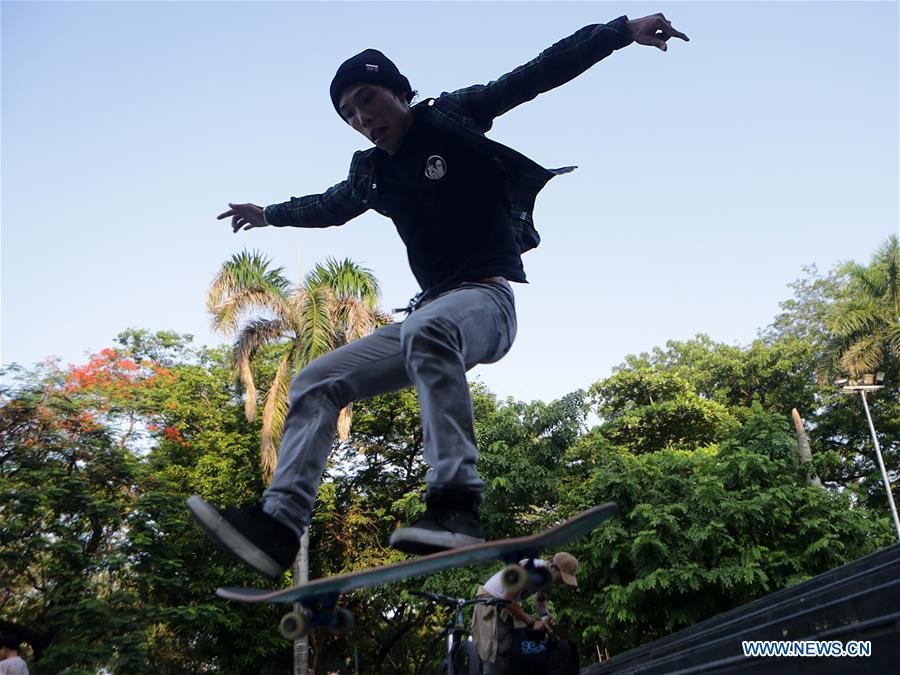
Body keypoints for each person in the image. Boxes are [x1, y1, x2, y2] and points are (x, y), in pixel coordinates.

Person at [188, 13, 688, 581]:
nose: (362, 119)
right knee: (315, 380)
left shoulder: (451, 117)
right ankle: (278, 526)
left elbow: (535, 74)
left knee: (430, 329)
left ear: (400, 92)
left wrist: (620, 32)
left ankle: (456, 502)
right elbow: (329, 206)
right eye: (349, 114)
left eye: (368, 100)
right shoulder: (371, 173)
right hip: (429, 312)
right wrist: (269, 215)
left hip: (487, 303)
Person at [472, 552, 579, 674]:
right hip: (489, 601)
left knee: (516, 649)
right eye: (562, 577)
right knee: (496, 654)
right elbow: (507, 600)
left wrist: (545, 617)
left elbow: (540, 602)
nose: (562, 582)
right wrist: (533, 623)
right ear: (553, 567)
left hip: (505, 604)